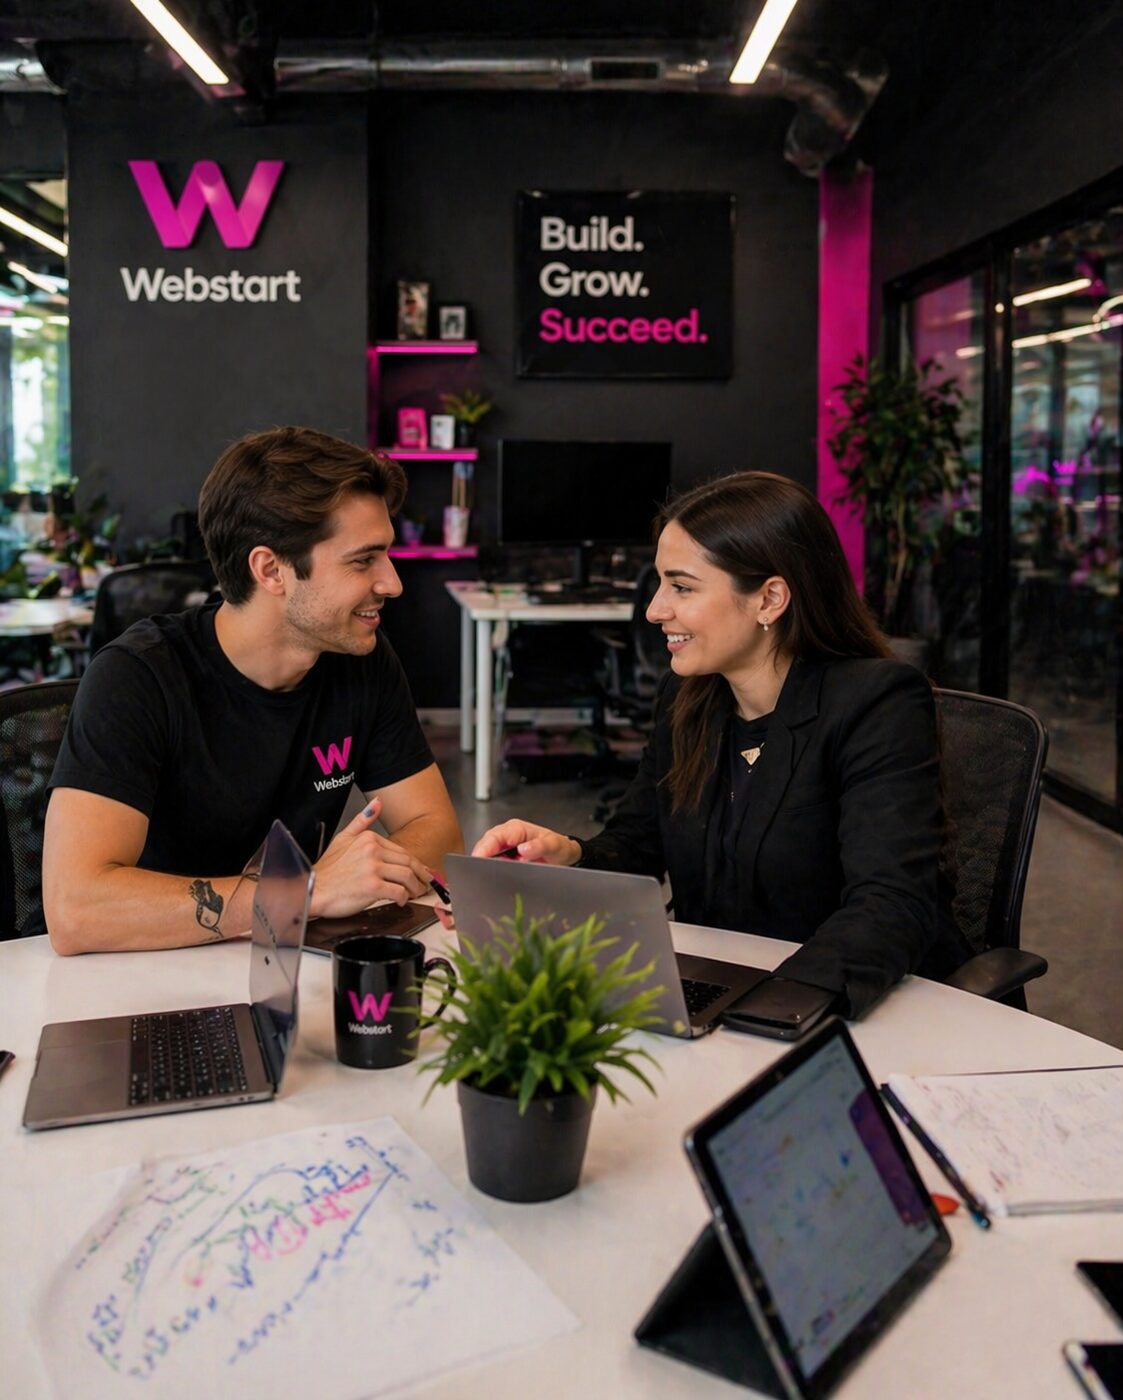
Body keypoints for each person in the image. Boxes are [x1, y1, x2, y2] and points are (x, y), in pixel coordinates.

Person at [472, 471, 969, 1017]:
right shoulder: (688, 698)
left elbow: (891, 905)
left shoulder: (877, 703)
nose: (655, 609)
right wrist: (570, 857)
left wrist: (766, 1011)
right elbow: (640, 845)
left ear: (769, 599)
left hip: (852, 1014)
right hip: (724, 993)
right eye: (660, 583)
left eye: (681, 587)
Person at [43, 426, 463, 955]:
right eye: (363, 560)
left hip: (283, 969)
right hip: (144, 978)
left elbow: (440, 835)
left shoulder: (364, 661)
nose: (392, 582)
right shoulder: (138, 676)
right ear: (271, 570)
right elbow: (76, 910)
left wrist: (366, 872)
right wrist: (298, 894)